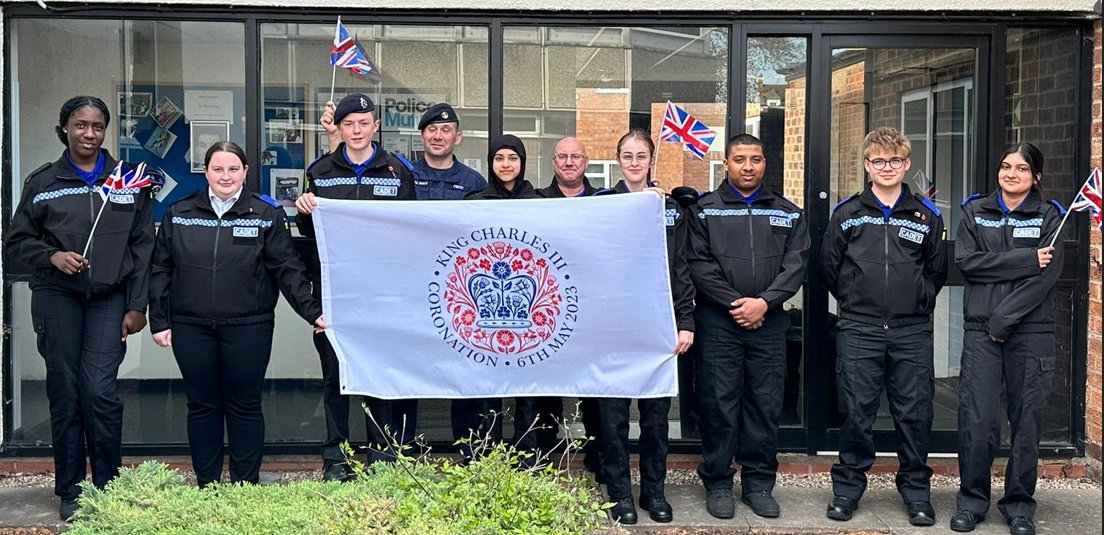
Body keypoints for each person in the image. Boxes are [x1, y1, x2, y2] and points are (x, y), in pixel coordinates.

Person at [5, 96, 154, 521]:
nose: (89, 134)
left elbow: (144, 246)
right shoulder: (44, 182)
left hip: (109, 300)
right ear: (65, 128)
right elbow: (16, 242)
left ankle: (107, 486)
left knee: (100, 392)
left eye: (97, 126)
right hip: (57, 298)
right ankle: (72, 487)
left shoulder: (127, 181)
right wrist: (51, 256)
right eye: (80, 125)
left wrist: (138, 304)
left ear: (106, 130)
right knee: (66, 393)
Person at [148, 141, 324, 487]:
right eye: (218, 169)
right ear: (206, 172)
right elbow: (160, 269)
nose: (225, 176)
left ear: (245, 171)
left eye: (233, 169)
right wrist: (160, 320)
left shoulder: (265, 214)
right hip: (191, 326)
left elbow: (288, 270)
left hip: (249, 327)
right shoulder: (180, 212)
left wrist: (313, 313)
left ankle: (245, 486)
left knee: (244, 405)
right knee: (202, 406)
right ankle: (208, 485)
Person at [820, 126, 947, 526]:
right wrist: (856, 299)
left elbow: (937, 270)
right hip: (860, 328)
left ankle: (916, 492)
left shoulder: (926, 215)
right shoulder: (848, 213)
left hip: (911, 330)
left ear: (906, 164)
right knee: (857, 411)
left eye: (895, 161)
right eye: (879, 161)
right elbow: (829, 267)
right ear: (867, 165)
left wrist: (917, 299)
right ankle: (847, 490)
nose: (887, 167)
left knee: (914, 413)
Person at [686, 134, 809, 520]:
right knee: (719, 404)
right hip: (719, 323)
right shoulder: (705, 210)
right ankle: (719, 482)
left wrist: (764, 303)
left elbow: (797, 264)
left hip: (769, 323)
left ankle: (758, 484)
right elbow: (698, 263)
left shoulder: (788, 212)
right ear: (727, 163)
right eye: (740, 159)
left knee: (764, 404)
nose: (748, 166)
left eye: (755, 159)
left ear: (764, 163)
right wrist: (737, 304)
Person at [299, 93, 417, 480]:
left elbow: (411, 233)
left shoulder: (397, 171)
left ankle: (382, 455)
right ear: (340, 128)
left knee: (378, 376)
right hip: (336, 295)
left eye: (363, 123)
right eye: (348, 124)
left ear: (375, 126)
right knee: (334, 379)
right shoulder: (320, 171)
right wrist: (304, 213)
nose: (356, 130)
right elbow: (310, 235)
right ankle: (337, 458)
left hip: (382, 295)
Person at [950, 143, 1063, 535]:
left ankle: (1019, 506)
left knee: (1026, 422)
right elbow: (967, 263)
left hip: (1030, 334)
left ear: (1036, 176)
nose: (1011, 174)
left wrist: (1003, 317)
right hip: (981, 335)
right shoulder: (974, 212)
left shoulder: (1050, 217)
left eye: (1021, 168)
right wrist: (1025, 260)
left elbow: (1047, 278)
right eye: (1005, 166)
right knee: (977, 421)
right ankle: (971, 502)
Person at [592, 130, 696, 524]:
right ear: (618, 159)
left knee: (656, 417)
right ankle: (620, 494)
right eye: (627, 155)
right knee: (614, 417)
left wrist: (685, 322)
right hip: (615, 326)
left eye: (641, 156)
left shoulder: (671, 209)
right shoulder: (603, 205)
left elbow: (682, 269)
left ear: (652, 160)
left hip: (658, 326)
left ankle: (654, 491)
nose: (634, 162)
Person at [521, 136, 600, 471]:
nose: (569, 162)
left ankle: (597, 455)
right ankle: (541, 456)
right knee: (544, 387)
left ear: (586, 161)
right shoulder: (535, 201)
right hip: (548, 310)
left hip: (592, 310)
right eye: (563, 157)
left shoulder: (606, 202)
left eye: (576, 157)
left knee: (594, 388)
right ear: (553, 162)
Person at [412, 102, 486, 200]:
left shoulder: (474, 182)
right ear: (422, 136)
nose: (438, 137)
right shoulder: (407, 175)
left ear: (457, 138)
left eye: (445, 131)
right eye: (432, 129)